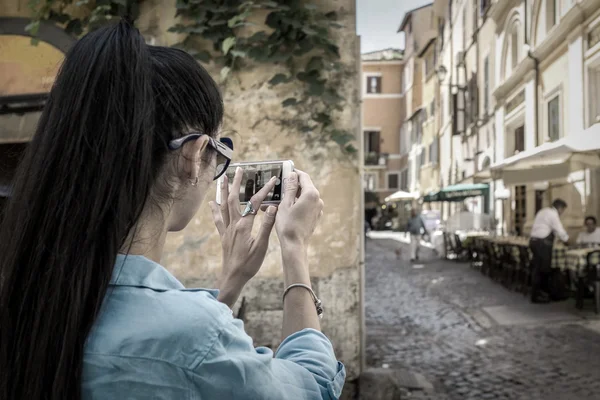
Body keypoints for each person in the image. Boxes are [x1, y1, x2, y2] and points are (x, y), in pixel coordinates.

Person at [0, 21, 344, 400]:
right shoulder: (195, 336)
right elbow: (313, 385)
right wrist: (294, 249)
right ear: (194, 156)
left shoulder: (28, 290)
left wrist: (229, 284)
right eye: (221, 150)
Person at [529, 199, 569, 303]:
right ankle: (540, 295)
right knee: (543, 270)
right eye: (563, 210)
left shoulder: (543, 211)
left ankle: (538, 294)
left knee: (537, 269)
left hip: (534, 241)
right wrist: (568, 240)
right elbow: (559, 230)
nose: (562, 213)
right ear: (560, 208)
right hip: (542, 243)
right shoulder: (553, 214)